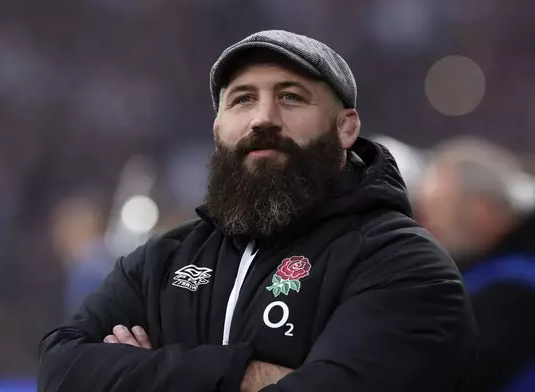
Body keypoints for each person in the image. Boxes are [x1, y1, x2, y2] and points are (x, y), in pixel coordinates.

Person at [37, 30, 477, 392]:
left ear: (346, 127)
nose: (262, 118)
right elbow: (60, 370)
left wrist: (146, 373)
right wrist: (252, 376)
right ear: (218, 129)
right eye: (243, 99)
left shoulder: (403, 263)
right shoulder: (165, 258)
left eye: (290, 97)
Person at [416, 136, 535, 392]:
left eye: (439, 208)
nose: (426, 224)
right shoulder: (483, 272)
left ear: (481, 211)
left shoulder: (514, 288)